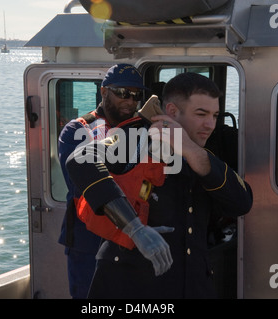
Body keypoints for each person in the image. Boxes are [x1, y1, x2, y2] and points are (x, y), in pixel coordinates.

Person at [66, 72, 253, 298]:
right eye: (201, 114)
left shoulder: (201, 155)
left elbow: (242, 203)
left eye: (215, 115)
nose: (211, 124)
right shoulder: (134, 140)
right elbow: (80, 158)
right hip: (131, 287)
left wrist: (192, 151)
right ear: (172, 111)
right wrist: (133, 228)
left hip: (192, 285)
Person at [57, 64, 147, 298]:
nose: (130, 101)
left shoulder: (144, 129)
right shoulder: (77, 130)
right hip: (89, 242)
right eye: (123, 93)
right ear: (104, 92)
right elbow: (80, 183)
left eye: (137, 95)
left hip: (132, 240)